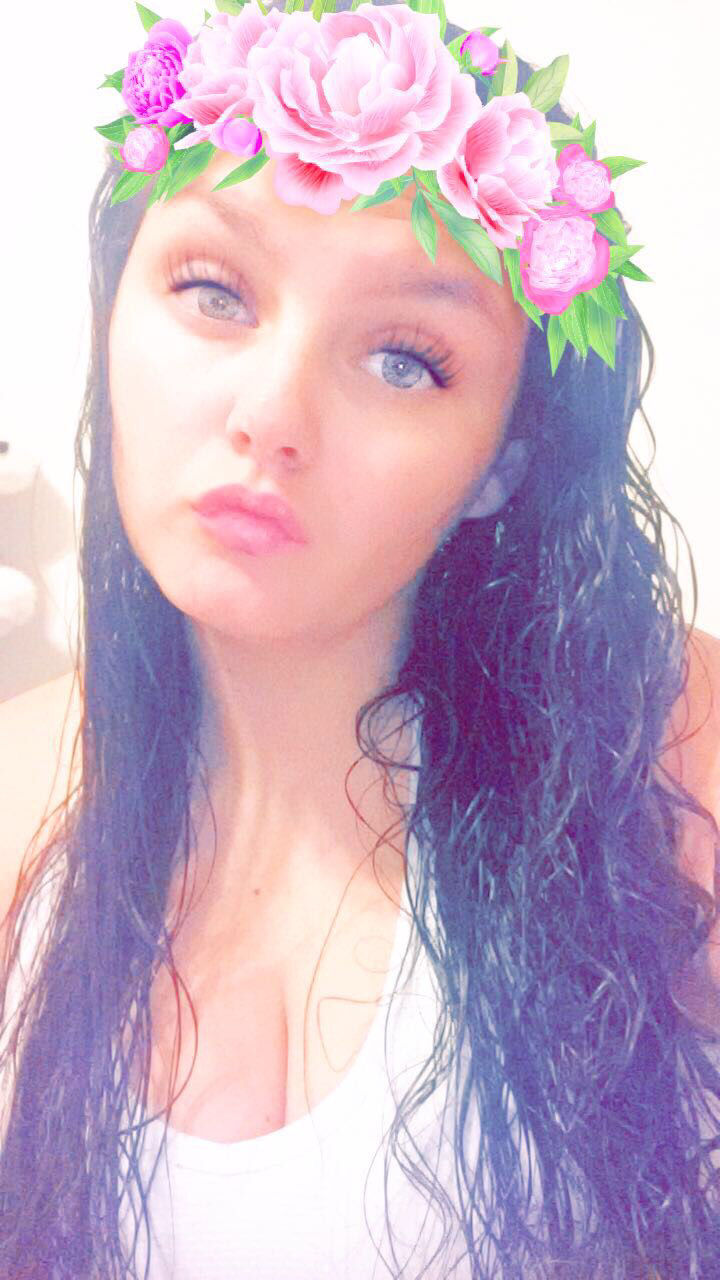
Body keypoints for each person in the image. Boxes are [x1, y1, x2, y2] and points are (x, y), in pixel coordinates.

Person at [1, 0, 719, 1276]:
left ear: (501, 464)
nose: (272, 414)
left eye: (403, 359)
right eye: (214, 291)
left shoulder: (663, 749)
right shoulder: (21, 794)